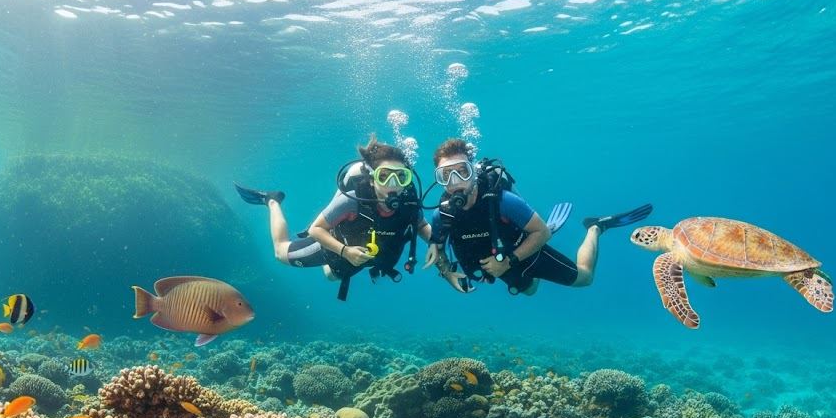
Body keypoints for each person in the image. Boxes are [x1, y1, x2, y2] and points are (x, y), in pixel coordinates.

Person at [423, 138, 652, 295]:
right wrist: (447, 273)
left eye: (462, 172)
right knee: (531, 291)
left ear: (474, 172)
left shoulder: (502, 201)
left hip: (525, 253)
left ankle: (595, 228)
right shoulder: (441, 215)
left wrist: (509, 262)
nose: (455, 182)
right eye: (446, 175)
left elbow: (542, 232)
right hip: (496, 264)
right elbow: (438, 248)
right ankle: (529, 275)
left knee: (584, 278)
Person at [235, 136, 432, 301]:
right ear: (372, 178)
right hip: (337, 244)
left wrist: (436, 245)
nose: (393, 184)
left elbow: (421, 225)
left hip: (363, 255)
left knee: (331, 275)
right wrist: (345, 252)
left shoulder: (409, 204)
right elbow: (315, 229)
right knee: (280, 253)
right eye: (384, 176)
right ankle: (271, 201)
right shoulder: (352, 200)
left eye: (401, 177)